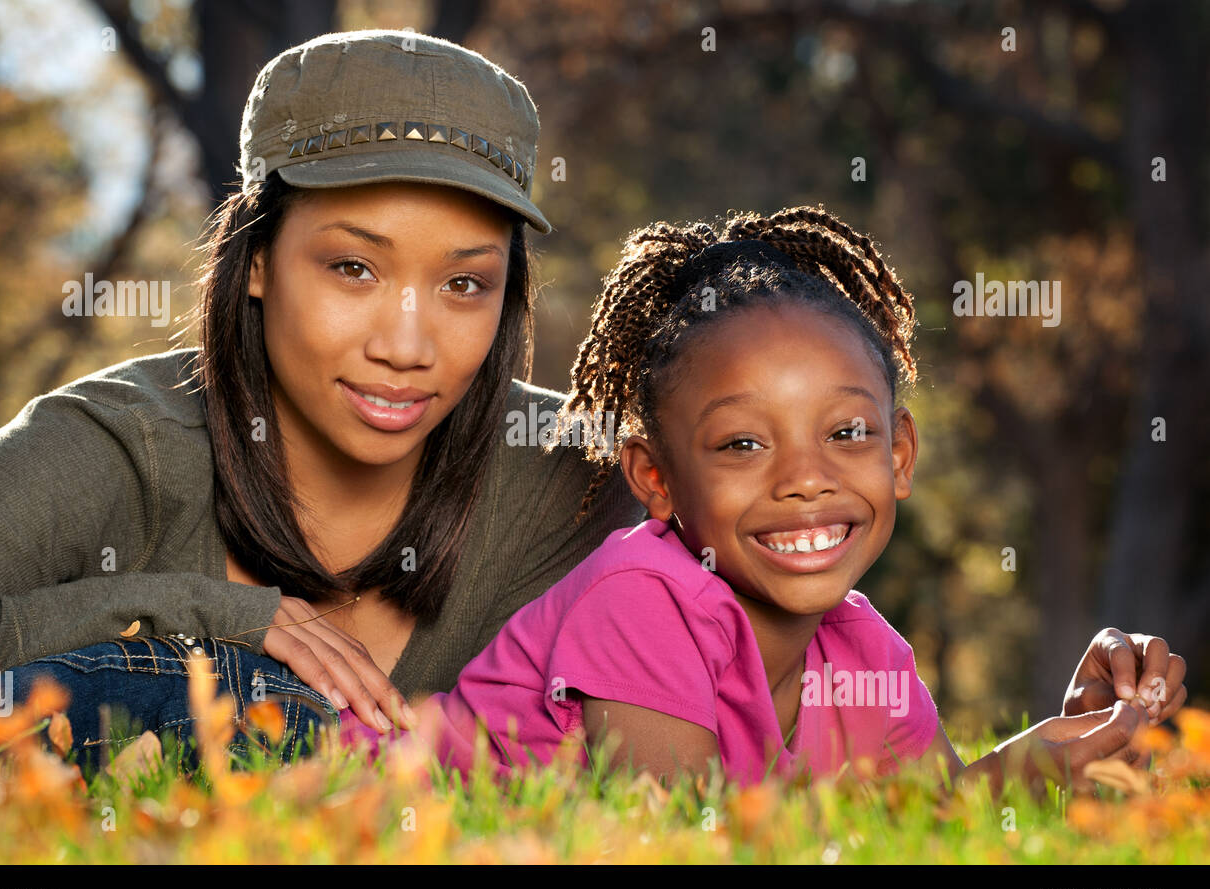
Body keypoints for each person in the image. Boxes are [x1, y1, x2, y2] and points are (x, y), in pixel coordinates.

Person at [0, 30, 644, 759]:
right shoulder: (116, 446)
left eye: (464, 284)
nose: (406, 347)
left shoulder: (582, 476)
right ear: (256, 259)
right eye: (354, 267)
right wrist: (197, 616)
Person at [341, 207, 1187, 792]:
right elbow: (686, 833)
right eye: (743, 444)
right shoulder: (643, 596)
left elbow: (930, 819)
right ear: (656, 480)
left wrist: (1068, 743)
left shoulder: (867, 658)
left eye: (848, 434)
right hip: (314, 761)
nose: (805, 478)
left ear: (899, 454)